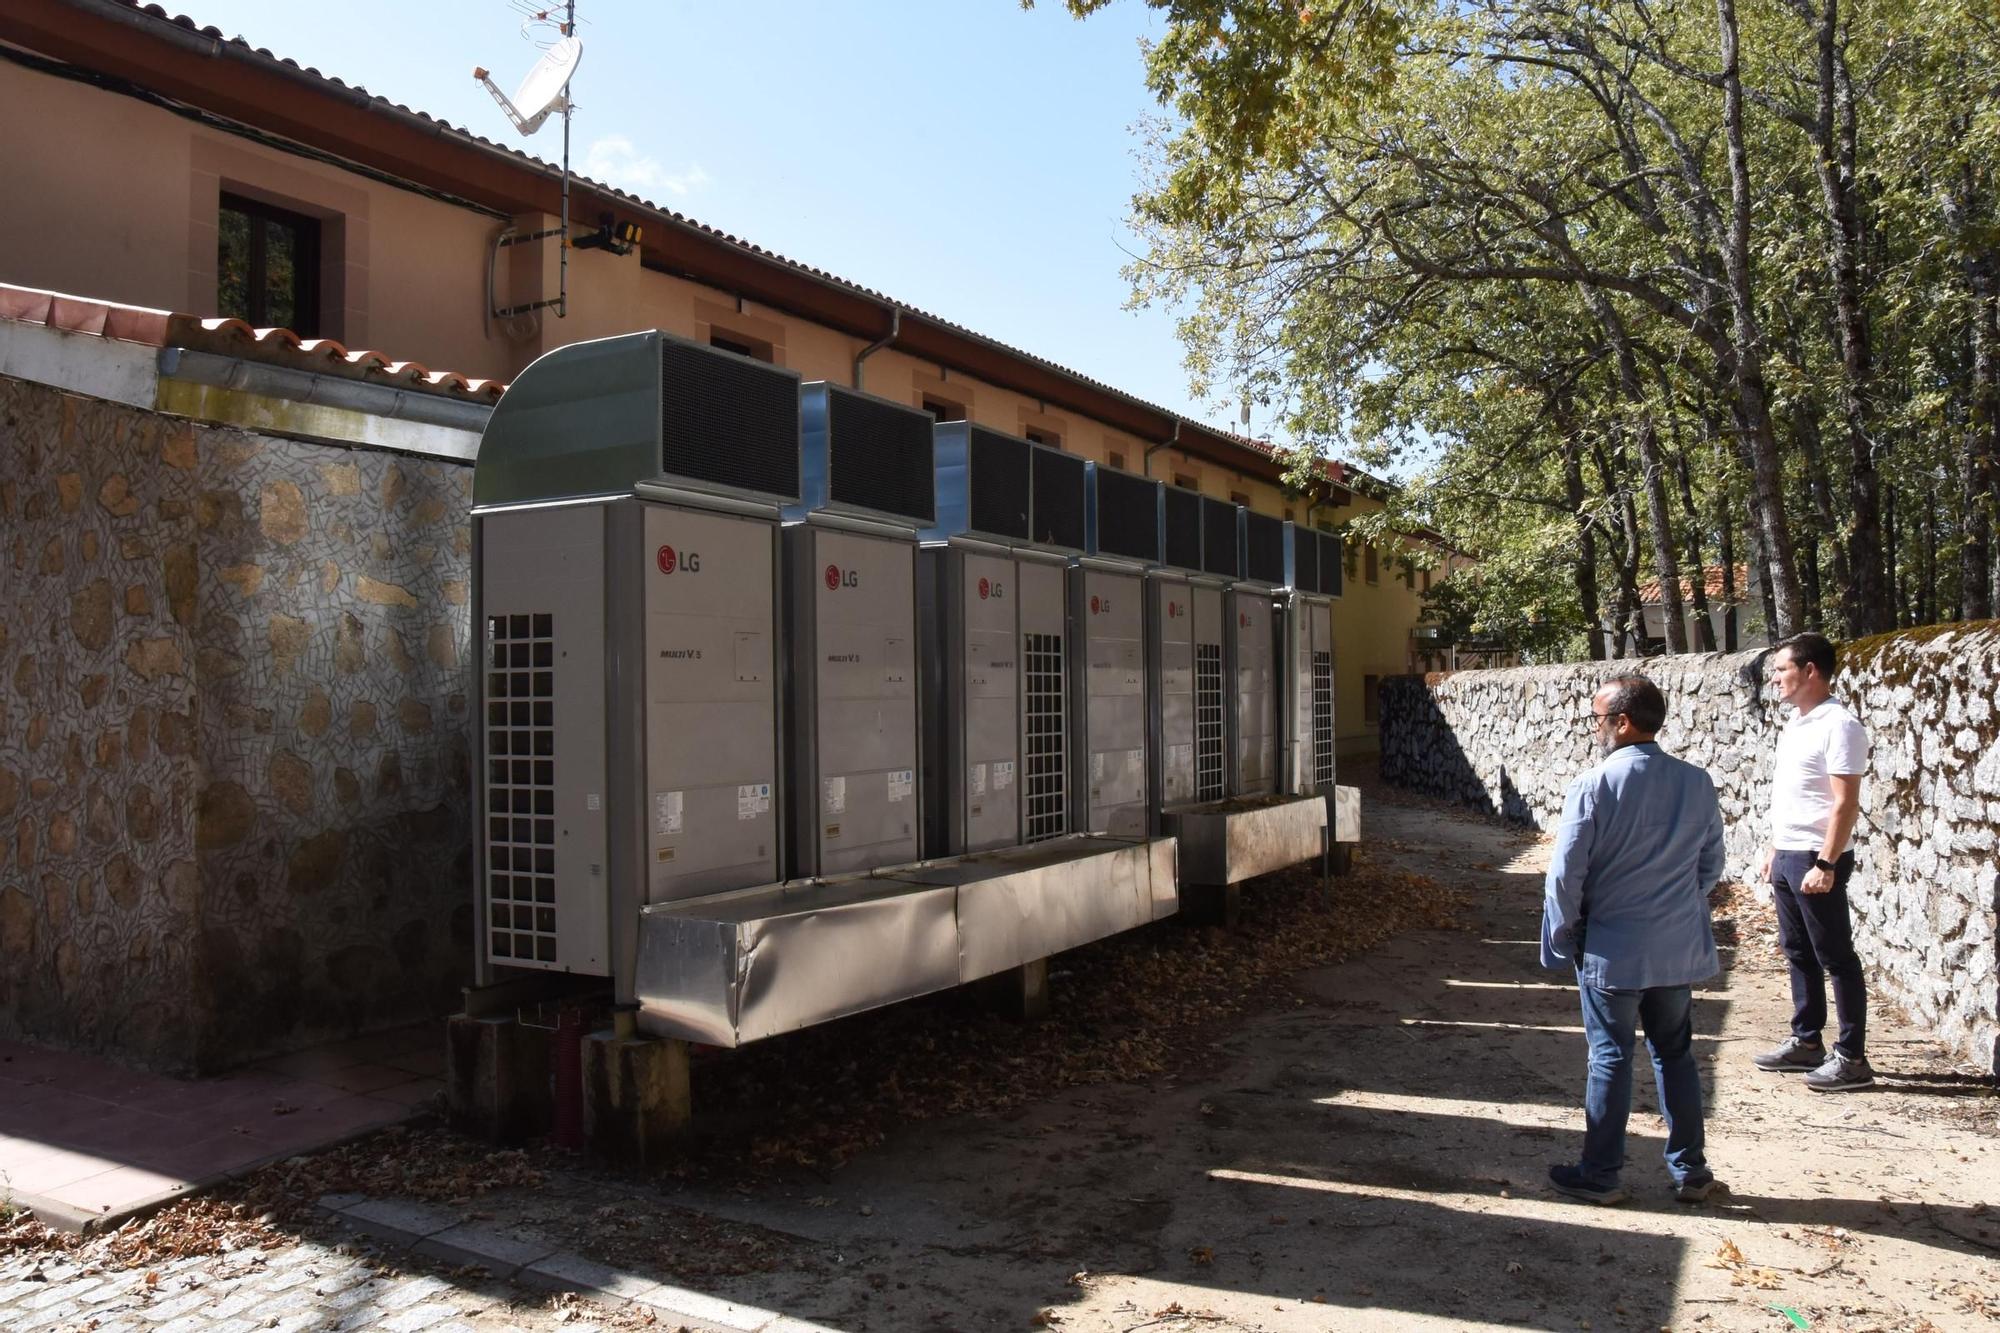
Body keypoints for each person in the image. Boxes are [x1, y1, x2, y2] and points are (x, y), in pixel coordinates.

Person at [1542, 675, 1724, 1206]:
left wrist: (1563, 932)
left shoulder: (1594, 784)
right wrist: (1677, 903)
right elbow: (1710, 863)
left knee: (1610, 1057)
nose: (1595, 728)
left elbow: (1565, 875)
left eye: (1598, 718)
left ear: (1622, 722)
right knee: (1676, 1054)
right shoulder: (1696, 781)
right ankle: (1691, 1170)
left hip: (1612, 947)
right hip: (1675, 946)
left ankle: (1600, 1174)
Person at [1752, 632, 1873, 1092]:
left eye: (1782, 669)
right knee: (1797, 950)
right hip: (1788, 853)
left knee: (1836, 956)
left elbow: (1845, 803)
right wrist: (1775, 847)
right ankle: (1807, 1042)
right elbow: (1796, 795)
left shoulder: (1839, 725)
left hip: (1817, 857)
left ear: (1810, 671)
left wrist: (1825, 862)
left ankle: (1853, 1058)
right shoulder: (1798, 723)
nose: (1776, 679)